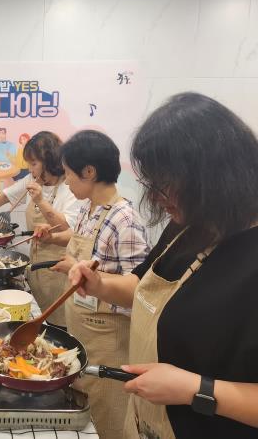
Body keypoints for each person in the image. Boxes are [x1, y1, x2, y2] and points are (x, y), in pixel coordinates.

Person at [68, 93, 258, 439]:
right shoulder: (190, 224)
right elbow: (142, 288)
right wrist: (99, 285)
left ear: (214, 176)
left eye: (165, 184)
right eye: (151, 184)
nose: (155, 198)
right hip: (147, 425)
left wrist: (195, 388)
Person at [38, 130, 149, 439]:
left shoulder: (124, 219)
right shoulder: (90, 209)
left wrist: (86, 274)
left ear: (89, 172)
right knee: (86, 418)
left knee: (109, 421)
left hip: (109, 341)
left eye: (70, 174)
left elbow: (139, 292)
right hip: (82, 329)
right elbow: (80, 253)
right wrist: (70, 265)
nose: (67, 181)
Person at [0, 131, 80, 326]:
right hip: (37, 262)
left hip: (61, 267)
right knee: (37, 318)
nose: (30, 169)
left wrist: (40, 200)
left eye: (34, 164)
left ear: (49, 161)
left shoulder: (70, 186)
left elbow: (68, 228)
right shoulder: (35, 180)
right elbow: (6, 195)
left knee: (58, 324)